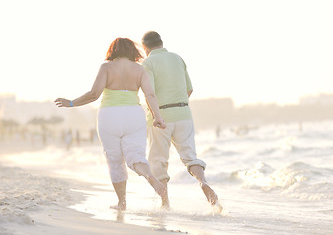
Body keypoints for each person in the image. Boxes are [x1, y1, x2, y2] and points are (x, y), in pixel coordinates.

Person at [55, 37, 167, 210]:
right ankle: (150, 178)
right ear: (132, 51)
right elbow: (150, 95)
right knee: (136, 155)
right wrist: (157, 117)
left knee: (115, 160)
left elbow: (94, 94)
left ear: (112, 50)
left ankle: (122, 203)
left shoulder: (106, 67)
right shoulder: (140, 69)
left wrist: (71, 103)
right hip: (134, 115)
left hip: (110, 115)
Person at [141, 31, 221, 209]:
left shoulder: (148, 63)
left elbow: (150, 93)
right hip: (184, 113)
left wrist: (157, 116)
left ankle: (165, 203)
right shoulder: (177, 58)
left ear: (144, 47)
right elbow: (189, 89)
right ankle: (203, 182)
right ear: (161, 43)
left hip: (160, 115)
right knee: (190, 157)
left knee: (158, 161)